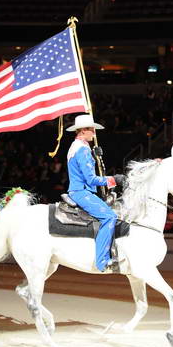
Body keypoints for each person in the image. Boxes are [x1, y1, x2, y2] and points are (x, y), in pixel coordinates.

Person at [66, 114, 124, 272]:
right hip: (81, 192)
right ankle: (102, 261)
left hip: (82, 191)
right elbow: (91, 179)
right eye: (92, 129)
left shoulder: (79, 146)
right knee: (109, 217)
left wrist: (96, 157)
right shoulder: (82, 150)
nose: (94, 132)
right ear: (83, 131)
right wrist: (113, 179)